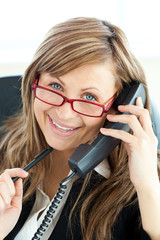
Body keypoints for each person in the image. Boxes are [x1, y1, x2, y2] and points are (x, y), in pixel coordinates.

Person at [0, 17, 160, 240]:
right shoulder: (5, 145)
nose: (64, 113)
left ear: (119, 107)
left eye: (89, 97)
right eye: (55, 85)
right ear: (34, 82)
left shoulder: (140, 189)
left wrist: (149, 188)